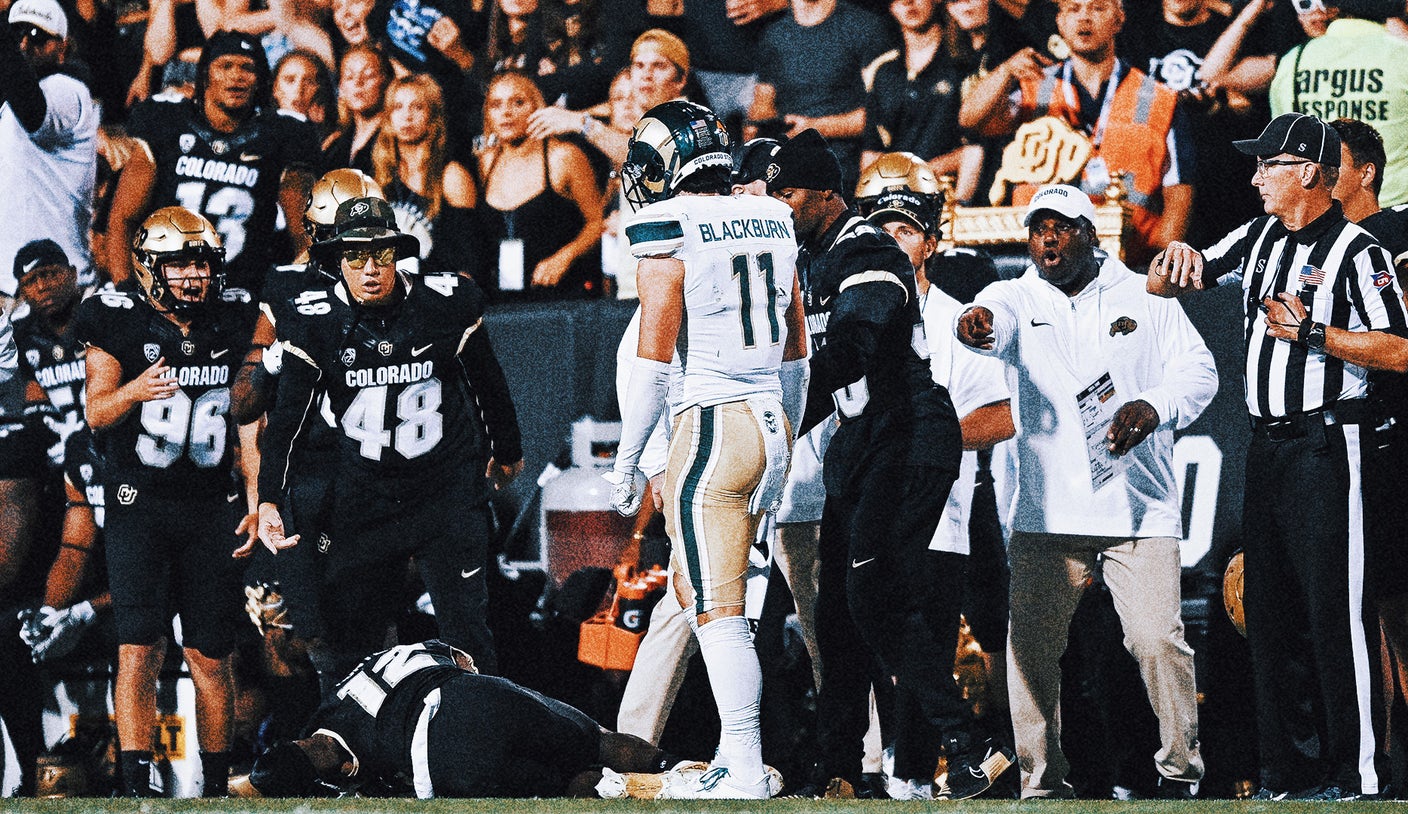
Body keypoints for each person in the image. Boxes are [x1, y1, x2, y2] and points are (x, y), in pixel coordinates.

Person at [1149, 112, 1408, 801]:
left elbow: (1400, 348)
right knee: (1269, 613)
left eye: (1269, 164)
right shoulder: (1261, 234)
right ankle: (1287, 773)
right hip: (1267, 446)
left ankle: (1360, 774)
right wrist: (1169, 264)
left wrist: (1316, 333)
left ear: (1308, 173)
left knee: (1338, 611)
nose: (1256, 177)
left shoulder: (1359, 250)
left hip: (1330, 444)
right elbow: (1192, 272)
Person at [764, 129, 1002, 800]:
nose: (778, 208)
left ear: (824, 195)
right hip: (865, 441)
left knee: (870, 595)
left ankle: (969, 742)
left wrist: (773, 418)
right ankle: (838, 767)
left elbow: (859, 343)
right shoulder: (813, 258)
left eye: (788, 195)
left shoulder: (863, 247)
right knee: (840, 613)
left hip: (906, 433)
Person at [956, 183, 1214, 799]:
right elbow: (992, 324)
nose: (1048, 238)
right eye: (1038, 228)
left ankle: (1181, 774)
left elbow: (1199, 370)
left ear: (1089, 234)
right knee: (1031, 651)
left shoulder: (1142, 293)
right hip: (1048, 511)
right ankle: (1042, 782)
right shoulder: (1011, 295)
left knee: (1156, 639)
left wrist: (1155, 403)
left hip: (1137, 505)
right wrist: (978, 327)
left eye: (1063, 227)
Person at [605, 100, 808, 798]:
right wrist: (785, 428)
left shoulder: (670, 224)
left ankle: (744, 764)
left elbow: (653, 356)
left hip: (713, 421)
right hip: (769, 419)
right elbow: (796, 349)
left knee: (716, 611)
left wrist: (627, 458)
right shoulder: (774, 216)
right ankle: (736, 752)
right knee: (730, 603)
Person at [256, 196, 523, 680]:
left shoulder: (444, 302)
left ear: (398, 253)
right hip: (366, 498)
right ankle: (361, 751)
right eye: (355, 256)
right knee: (352, 643)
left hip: (443, 492)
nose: (370, 268)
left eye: (380, 253)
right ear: (337, 261)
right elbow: (288, 421)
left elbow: (488, 384)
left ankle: (480, 742)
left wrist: (507, 451)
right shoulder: (314, 319)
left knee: (467, 636)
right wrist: (269, 498)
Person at [72, 206, 259, 797]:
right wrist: (135, 389)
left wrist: (257, 497)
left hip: (210, 506)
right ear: (148, 266)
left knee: (210, 654)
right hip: (140, 505)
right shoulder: (113, 315)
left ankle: (213, 785)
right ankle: (134, 782)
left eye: (201, 261)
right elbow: (95, 411)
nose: (193, 275)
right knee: (139, 647)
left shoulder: (238, 316)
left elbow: (252, 422)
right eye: (178, 263)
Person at [859, 153, 1016, 800]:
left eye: (905, 230)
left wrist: (926, 444)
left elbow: (1002, 414)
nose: (894, 242)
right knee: (876, 639)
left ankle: (919, 773)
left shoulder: (957, 318)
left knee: (924, 639)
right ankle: (882, 767)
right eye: (882, 230)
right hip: (870, 503)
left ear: (929, 240)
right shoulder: (854, 309)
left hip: (940, 510)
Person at [246, 640, 688, 798]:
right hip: (477, 692)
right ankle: (682, 769)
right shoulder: (342, 693)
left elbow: (329, 768)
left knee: (571, 784)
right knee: (598, 740)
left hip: (449, 755)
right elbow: (455, 654)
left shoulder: (339, 768)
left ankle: (636, 792)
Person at [958, 0, 1194, 266]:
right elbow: (971, 120)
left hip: (1129, 259)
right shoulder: (1034, 87)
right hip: (1042, 258)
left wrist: (1159, 264)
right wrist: (1005, 71)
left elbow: (1178, 192)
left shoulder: (1158, 98)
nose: (1084, 18)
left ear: (1119, 19)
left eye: (1097, 8)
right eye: (1073, 9)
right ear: (1059, 22)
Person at [107, 30, 320, 296]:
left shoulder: (282, 134)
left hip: (239, 293)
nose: (236, 76)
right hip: (165, 290)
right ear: (206, 73)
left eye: (247, 68)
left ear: (261, 80)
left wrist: (280, 306)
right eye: (225, 66)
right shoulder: (166, 120)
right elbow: (123, 218)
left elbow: (306, 238)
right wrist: (126, 288)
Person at [1327, 115, 1408, 771]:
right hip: (1347, 444)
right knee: (1373, 606)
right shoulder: (1295, 246)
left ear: (1366, 173)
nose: (1318, 175)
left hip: (1393, 436)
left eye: (1333, 162)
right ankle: (1381, 759)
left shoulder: (1394, 235)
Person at [476, 71, 604, 301]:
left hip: (560, 297)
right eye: (496, 105)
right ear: (487, 115)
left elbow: (596, 223)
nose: (506, 112)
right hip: (501, 300)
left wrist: (564, 257)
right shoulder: (484, 163)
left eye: (518, 102)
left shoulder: (563, 157)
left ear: (537, 107)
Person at [0, 0, 98, 296]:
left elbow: (32, 110)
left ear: (63, 48)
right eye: (16, 34)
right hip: (10, 286)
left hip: (59, 289)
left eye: (38, 35)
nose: (25, 43)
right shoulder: (7, 104)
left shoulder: (68, 89)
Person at [1269, 0, 1408, 207]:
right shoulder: (1402, 56)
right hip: (1394, 211)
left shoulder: (1294, 60)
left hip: (1321, 215)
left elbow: (1283, 145)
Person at [746, 0, 892, 191]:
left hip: (843, 170)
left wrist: (815, 127)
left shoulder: (864, 28)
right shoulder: (774, 34)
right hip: (787, 168)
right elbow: (763, 102)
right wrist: (755, 129)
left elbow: (886, 116)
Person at [861, 0, 976, 201]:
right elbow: (872, 151)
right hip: (896, 197)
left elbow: (980, 144)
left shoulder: (964, 61)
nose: (908, 3)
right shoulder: (884, 71)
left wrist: (928, 170)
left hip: (948, 193)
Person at [372, 72, 483, 277]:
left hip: (436, 294)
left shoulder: (451, 175)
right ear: (388, 117)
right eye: (398, 107)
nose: (407, 116)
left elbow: (468, 263)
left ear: (432, 115)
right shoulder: (380, 176)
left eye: (417, 107)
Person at [12, 239, 89, 469]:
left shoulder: (100, 317)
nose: (42, 287)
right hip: (59, 449)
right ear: (22, 293)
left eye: (50, 274)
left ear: (73, 274)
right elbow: (35, 407)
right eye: (30, 281)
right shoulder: (21, 338)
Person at [321, 42, 394, 174]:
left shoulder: (396, 140)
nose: (358, 82)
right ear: (341, 88)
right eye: (349, 77)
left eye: (369, 75)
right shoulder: (334, 146)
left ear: (387, 82)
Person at [272, 49, 335, 139]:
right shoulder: (259, 131)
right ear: (275, 88)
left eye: (309, 82)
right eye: (290, 80)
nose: (299, 90)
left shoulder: (334, 142)